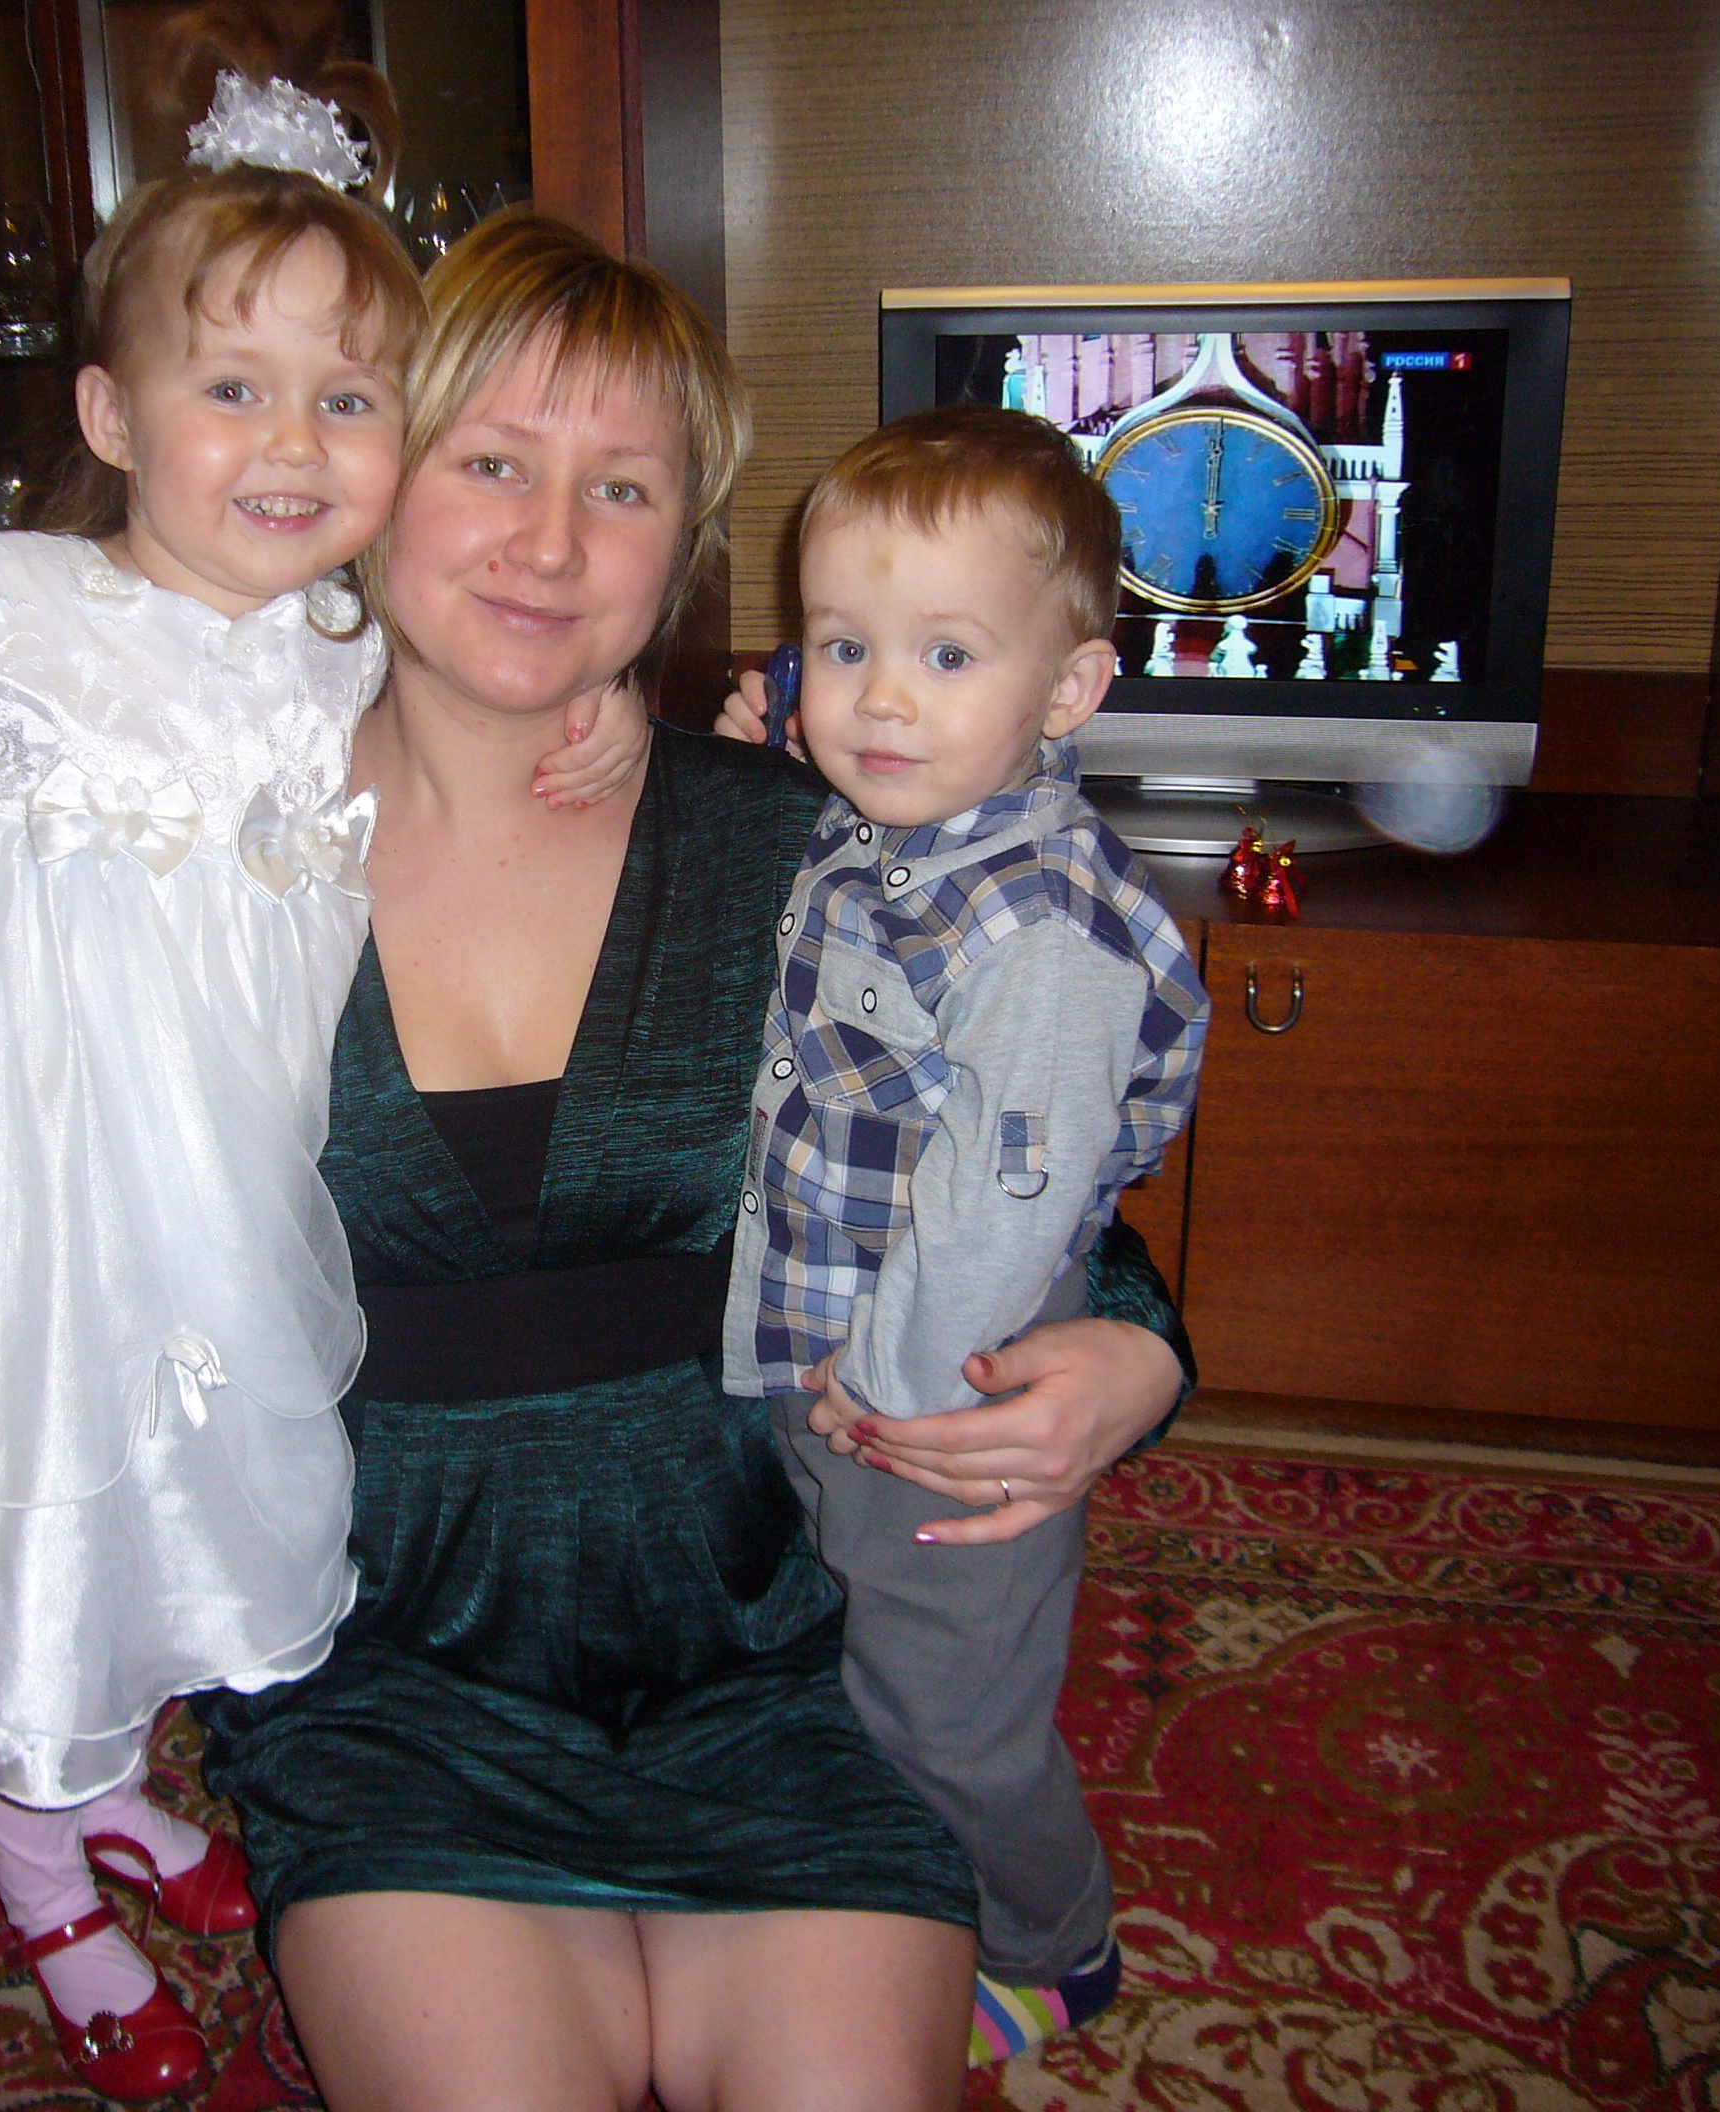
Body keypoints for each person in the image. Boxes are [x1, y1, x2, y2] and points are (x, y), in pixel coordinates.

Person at [0, 213, 1193, 2111]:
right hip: (383, 1664)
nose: (551, 544)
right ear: (376, 468)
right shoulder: (178, 850)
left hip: (791, 1647)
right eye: (490, 462)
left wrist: (1138, 1347)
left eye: (621, 489)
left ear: (683, 541)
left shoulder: (807, 846)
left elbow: (1022, 1147)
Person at [0, 82, 646, 2099]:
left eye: (348, 401)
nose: (294, 446)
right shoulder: (8, 601)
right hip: (22, 1153)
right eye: (233, 389)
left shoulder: (340, 649)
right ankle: (46, 1871)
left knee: (191, 1473)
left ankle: (119, 1779)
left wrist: (611, 708)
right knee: (36, 1496)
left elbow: (516, 672)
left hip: (217, 1158)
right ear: (112, 416)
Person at [715, 402, 1207, 2060]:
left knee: (953, 1702)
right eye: (843, 648)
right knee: (867, 1661)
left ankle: (1051, 1943)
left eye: (945, 655)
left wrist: (897, 1394)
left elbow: (1003, 1210)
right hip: (842, 1340)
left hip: (937, 1388)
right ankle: (891, 1875)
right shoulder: (899, 827)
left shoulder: (1037, 925)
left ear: (1069, 689)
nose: (880, 700)